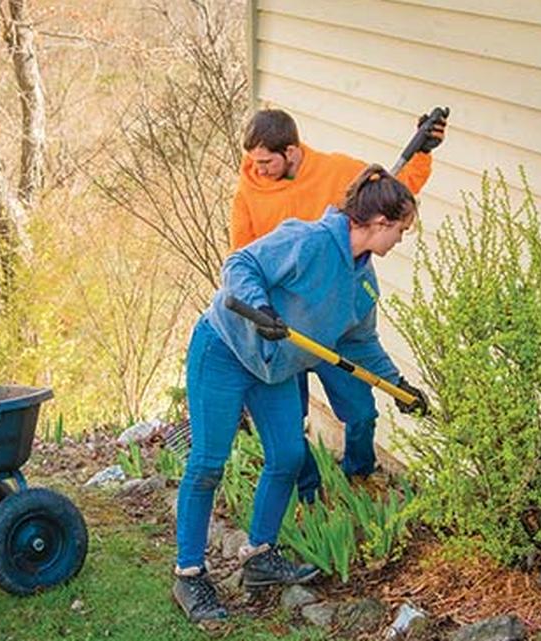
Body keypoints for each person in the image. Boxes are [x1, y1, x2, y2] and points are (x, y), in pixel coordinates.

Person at [174, 165, 429, 623]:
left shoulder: (363, 281)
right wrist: (262, 308)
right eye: (401, 230)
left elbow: (359, 341)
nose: (401, 240)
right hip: (226, 348)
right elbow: (241, 264)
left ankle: (258, 557)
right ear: (378, 224)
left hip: (274, 371)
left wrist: (398, 385)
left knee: (288, 456)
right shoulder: (309, 241)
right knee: (209, 463)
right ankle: (189, 574)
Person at [230, 108, 446, 496]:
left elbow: (392, 198)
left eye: (266, 162)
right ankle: (309, 494)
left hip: (335, 323)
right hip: (284, 327)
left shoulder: (336, 173)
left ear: (291, 151)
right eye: (254, 162)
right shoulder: (250, 193)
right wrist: (259, 314)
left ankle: (359, 476)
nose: (258, 170)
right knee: (287, 426)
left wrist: (424, 152)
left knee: (361, 412)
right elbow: (242, 258)